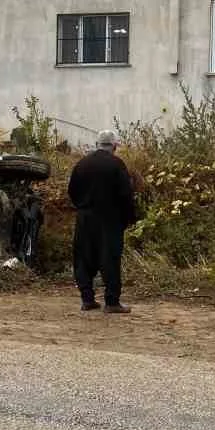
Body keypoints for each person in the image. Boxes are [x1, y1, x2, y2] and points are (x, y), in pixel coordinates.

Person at [68, 130, 138, 314]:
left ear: (97, 144)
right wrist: (129, 217)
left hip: (84, 218)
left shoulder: (82, 164)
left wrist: (83, 208)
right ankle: (112, 302)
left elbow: (72, 191)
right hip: (109, 219)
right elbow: (126, 194)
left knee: (83, 258)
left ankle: (87, 299)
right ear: (114, 146)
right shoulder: (116, 165)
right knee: (110, 258)